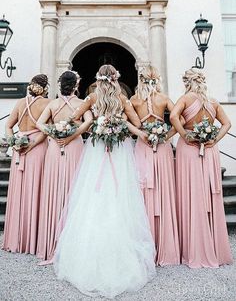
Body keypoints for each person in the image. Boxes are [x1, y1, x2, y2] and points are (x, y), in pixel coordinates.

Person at [54, 65, 156, 299]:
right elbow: (138, 123)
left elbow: (74, 118)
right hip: (119, 151)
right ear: (115, 79)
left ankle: (84, 256)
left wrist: (88, 125)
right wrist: (120, 124)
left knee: (92, 195)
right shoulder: (122, 97)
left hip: (96, 149)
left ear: (98, 79)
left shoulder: (91, 97)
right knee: (120, 196)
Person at [170, 68, 233, 268]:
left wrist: (185, 134)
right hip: (210, 150)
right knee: (207, 193)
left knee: (191, 194)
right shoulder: (212, 101)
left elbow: (172, 117)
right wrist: (215, 139)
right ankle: (213, 246)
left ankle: (193, 247)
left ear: (187, 82)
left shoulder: (185, 98)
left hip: (189, 150)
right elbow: (227, 124)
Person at [36, 71, 92, 262]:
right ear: (76, 86)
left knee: (54, 189)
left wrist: (53, 133)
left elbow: (39, 123)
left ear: (60, 85)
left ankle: (51, 238)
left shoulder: (53, 104)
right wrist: (73, 135)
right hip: (74, 146)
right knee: (75, 189)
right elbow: (90, 121)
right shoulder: (81, 103)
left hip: (55, 147)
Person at [131, 66, 180, 266]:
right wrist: (166, 137)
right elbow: (179, 120)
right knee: (163, 190)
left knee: (142, 192)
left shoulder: (134, 100)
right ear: (157, 79)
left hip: (143, 146)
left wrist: (141, 134)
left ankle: (144, 245)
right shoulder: (164, 98)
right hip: (162, 148)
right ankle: (165, 243)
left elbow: (127, 123)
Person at [2, 74, 50, 254]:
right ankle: (34, 238)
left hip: (18, 149)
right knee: (36, 188)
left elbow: (8, 126)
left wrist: (13, 141)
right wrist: (32, 145)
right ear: (45, 89)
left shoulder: (20, 103)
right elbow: (45, 131)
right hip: (36, 149)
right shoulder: (47, 104)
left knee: (19, 190)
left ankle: (16, 236)